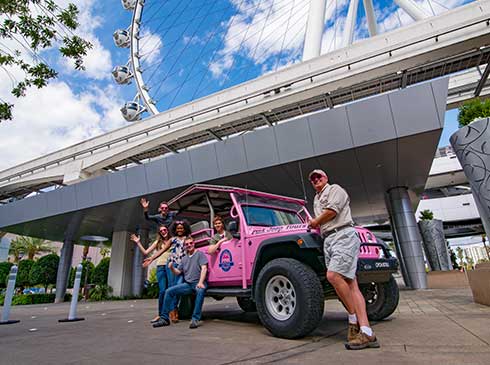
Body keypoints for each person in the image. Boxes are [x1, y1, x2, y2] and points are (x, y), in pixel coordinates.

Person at [307, 169, 379, 350]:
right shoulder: (316, 199)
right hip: (329, 240)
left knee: (333, 276)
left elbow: (332, 212)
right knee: (351, 284)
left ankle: (354, 320)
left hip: (343, 236)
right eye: (312, 178)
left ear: (326, 178)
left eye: (319, 176)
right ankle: (367, 332)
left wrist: (315, 222)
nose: (316, 179)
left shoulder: (335, 190)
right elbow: (322, 221)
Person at [153, 236, 208, 329]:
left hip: (198, 283)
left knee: (200, 291)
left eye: (191, 243)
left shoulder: (200, 254)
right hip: (188, 284)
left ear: (194, 243)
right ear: (185, 246)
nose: (189, 245)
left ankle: (195, 319)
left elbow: (204, 268)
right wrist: (171, 268)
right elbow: (178, 272)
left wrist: (201, 282)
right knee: (168, 291)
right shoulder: (184, 259)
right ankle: (164, 318)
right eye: (187, 244)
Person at [130, 225, 172, 323]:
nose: (163, 232)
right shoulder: (158, 242)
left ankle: (172, 312)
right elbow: (146, 252)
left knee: (170, 290)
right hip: (161, 267)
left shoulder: (172, 240)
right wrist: (138, 242)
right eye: (161, 231)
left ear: (168, 230)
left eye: (165, 230)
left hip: (171, 266)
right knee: (162, 291)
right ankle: (161, 314)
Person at [164, 220, 191, 323]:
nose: (180, 230)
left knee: (178, 288)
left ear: (185, 229)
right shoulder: (172, 239)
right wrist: (152, 258)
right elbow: (162, 250)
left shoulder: (188, 239)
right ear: (175, 229)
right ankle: (173, 311)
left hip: (182, 267)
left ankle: (174, 309)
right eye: (178, 228)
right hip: (172, 264)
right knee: (171, 288)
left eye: (181, 228)